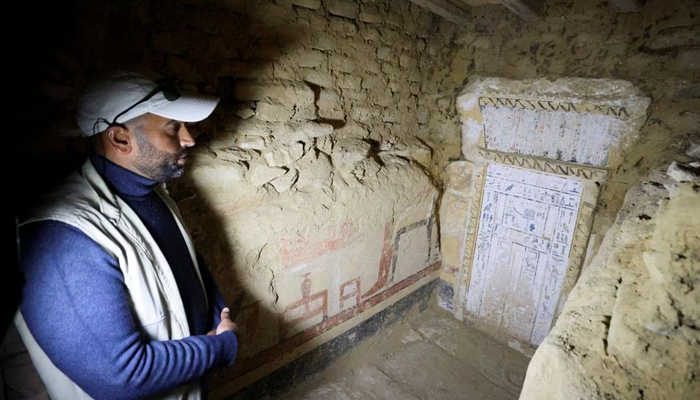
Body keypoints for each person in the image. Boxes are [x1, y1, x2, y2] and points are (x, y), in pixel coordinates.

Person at [5, 70, 239, 400]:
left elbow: (186, 263)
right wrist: (219, 348)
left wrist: (218, 313)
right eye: (173, 128)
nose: (190, 138)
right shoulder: (63, 237)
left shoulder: (151, 192)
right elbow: (121, 377)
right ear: (120, 139)